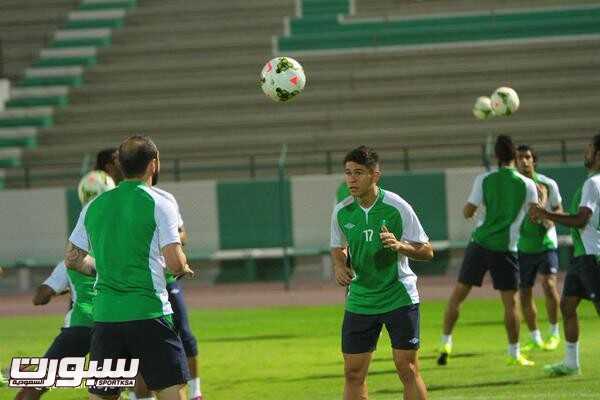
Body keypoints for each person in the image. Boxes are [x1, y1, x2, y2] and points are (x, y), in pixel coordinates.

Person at [65, 135, 194, 400]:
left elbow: (73, 258)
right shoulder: (160, 203)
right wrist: (183, 267)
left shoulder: (94, 205)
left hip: (106, 319)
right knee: (171, 393)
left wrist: (103, 269)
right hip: (149, 314)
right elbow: (174, 262)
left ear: (120, 166)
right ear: (154, 164)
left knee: (104, 396)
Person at [331, 146, 433, 400]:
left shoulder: (396, 206)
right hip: (360, 299)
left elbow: (427, 250)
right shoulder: (342, 211)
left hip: (398, 295)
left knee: (407, 368)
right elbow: (338, 247)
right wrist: (340, 265)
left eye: (359, 173)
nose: (351, 179)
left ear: (375, 175)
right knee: (353, 373)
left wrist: (401, 246)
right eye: (348, 173)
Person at [13, 159, 114, 400]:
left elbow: (40, 297)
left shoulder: (70, 261)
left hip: (80, 326)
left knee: (36, 385)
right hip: (114, 324)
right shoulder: (118, 253)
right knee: (125, 382)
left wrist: (63, 288)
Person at [437, 135, 538, 367]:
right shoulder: (527, 184)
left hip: (479, 244)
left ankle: (445, 342)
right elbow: (534, 215)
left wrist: (474, 212)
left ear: (496, 156)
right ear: (514, 156)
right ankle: (514, 353)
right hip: (505, 248)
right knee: (510, 304)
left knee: (458, 295)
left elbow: (467, 211)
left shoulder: (484, 179)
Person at [531, 133, 600, 376]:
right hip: (582, 256)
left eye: (590, 149)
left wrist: (545, 214)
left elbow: (581, 219)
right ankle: (572, 363)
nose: (586, 153)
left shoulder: (593, 183)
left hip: (593, 257)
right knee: (567, 305)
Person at [132, 188, 203, 400]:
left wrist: (167, 235)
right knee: (135, 343)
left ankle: (195, 392)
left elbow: (182, 234)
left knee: (185, 335)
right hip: (136, 284)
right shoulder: (119, 199)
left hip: (167, 280)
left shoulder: (165, 199)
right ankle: (139, 394)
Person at [515, 145, 562, 351]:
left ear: (534, 160)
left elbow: (559, 208)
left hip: (546, 243)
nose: (524, 161)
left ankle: (554, 333)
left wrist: (549, 216)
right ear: (515, 162)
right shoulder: (514, 185)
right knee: (524, 293)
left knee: (549, 285)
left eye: (527, 157)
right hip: (522, 246)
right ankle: (535, 337)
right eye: (519, 158)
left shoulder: (547, 183)